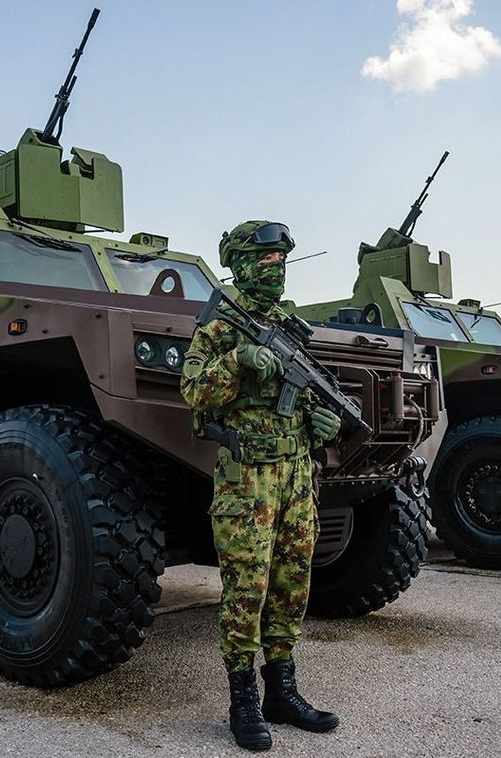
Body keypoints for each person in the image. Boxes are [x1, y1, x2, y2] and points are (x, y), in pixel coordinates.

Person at [180, 220, 343, 751]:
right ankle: (243, 699)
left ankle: (282, 690)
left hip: (297, 475)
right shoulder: (223, 326)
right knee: (247, 588)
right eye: (266, 263)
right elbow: (193, 391)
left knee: (292, 584)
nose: (276, 272)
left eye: (281, 264)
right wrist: (237, 360)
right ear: (241, 265)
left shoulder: (287, 326)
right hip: (247, 478)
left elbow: (311, 398)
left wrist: (324, 425)